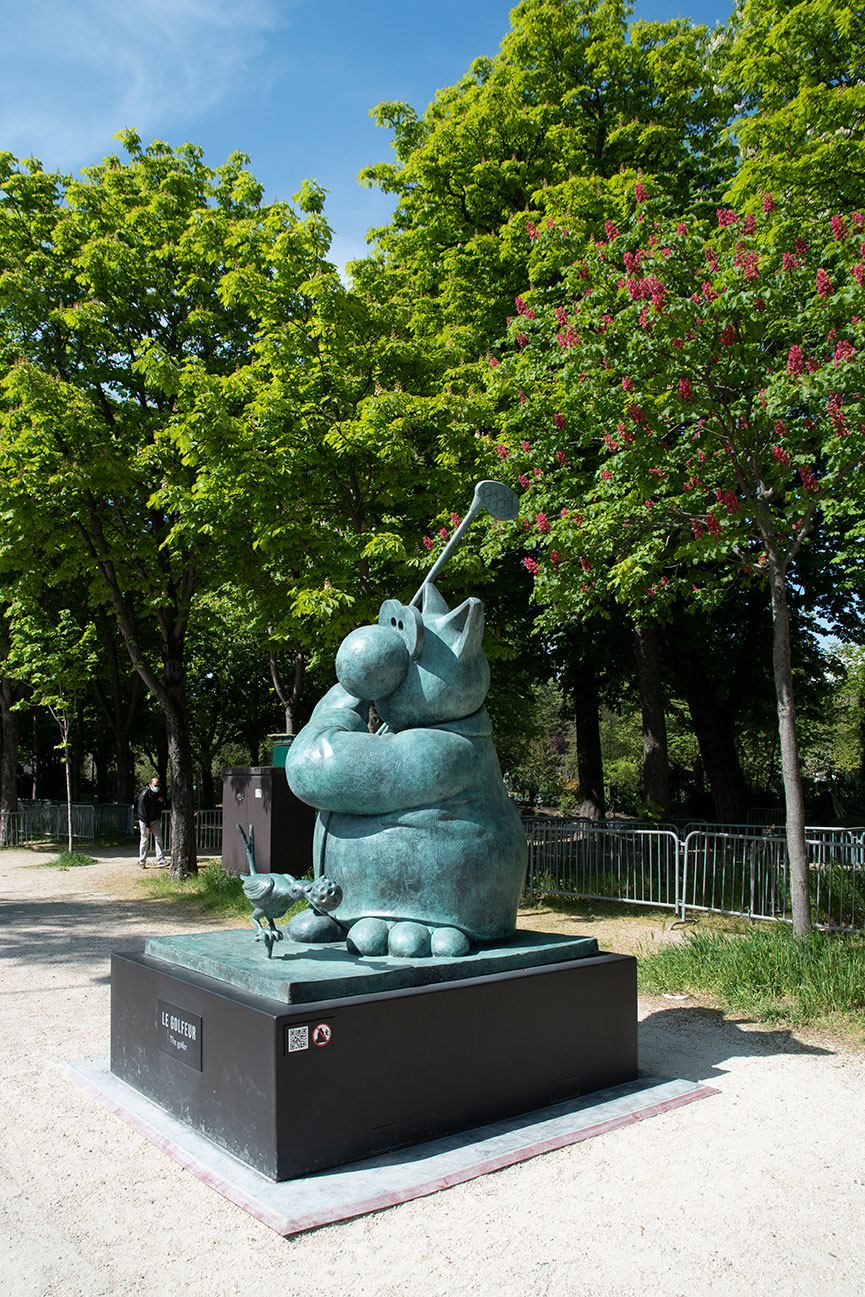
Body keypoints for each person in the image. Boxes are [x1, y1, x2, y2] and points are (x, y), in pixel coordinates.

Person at [137, 775, 167, 869]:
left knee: (158, 839)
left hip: (155, 819)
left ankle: (161, 860)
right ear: (150, 785)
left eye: (158, 785)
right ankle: (142, 861)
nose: (157, 787)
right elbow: (142, 811)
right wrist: (147, 825)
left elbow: (160, 805)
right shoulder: (144, 795)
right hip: (144, 820)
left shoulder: (159, 793)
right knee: (144, 840)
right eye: (155, 785)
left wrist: (161, 802)